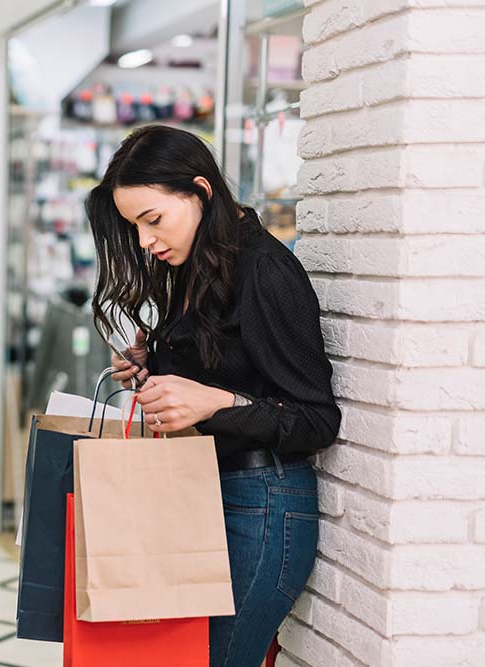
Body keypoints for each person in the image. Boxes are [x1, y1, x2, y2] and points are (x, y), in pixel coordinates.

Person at [89, 125, 340, 667]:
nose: (145, 242)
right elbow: (229, 369)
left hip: (261, 506)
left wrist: (213, 404)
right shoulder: (197, 264)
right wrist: (151, 368)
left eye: (153, 220)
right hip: (206, 491)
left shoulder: (265, 271)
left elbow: (317, 419)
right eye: (135, 227)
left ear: (200, 190)